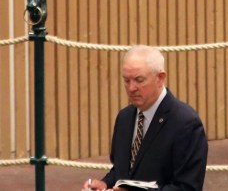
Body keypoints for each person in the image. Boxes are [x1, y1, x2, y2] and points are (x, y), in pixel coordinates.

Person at [83, 45, 208, 191]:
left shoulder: (185, 123)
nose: (131, 88)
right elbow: (122, 171)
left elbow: (187, 188)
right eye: (126, 80)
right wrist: (105, 184)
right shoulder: (124, 118)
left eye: (139, 80)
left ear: (160, 78)